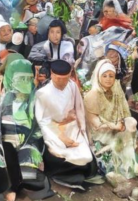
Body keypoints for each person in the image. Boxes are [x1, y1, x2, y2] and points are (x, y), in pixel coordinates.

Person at [0, 57, 53, 201]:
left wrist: (27, 142)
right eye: (21, 79)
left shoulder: (37, 97)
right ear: (11, 79)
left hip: (29, 146)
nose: (25, 83)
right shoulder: (5, 99)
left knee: (32, 175)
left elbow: (39, 129)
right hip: (8, 149)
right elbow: (0, 130)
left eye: (28, 79)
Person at [34, 60, 100, 190]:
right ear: (51, 74)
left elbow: (79, 108)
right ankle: (63, 174)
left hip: (71, 125)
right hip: (52, 129)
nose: (62, 82)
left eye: (65, 78)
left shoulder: (72, 86)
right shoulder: (43, 93)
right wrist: (60, 135)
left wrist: (80, 127)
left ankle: (76, 173)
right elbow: (42, 121)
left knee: (85, 155)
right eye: (58, 78)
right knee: (59, 150)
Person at [84, 60, 138, 180]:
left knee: (132, 123)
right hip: (101, 132)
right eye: (104, 76)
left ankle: (132, 166)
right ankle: (113, 169)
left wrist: (122, 122)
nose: (108, 79)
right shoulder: (92, 94)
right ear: (98, 76)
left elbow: (125, 111)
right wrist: (113, 126)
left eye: (111, 76)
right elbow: (95, 123)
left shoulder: (116, 89)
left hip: (117, 125)